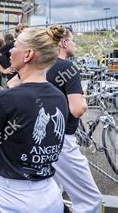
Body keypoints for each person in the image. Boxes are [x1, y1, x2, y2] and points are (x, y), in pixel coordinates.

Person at [0, 26, 69, 212]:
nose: (10, 52)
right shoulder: (59, 97)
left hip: (12, 197)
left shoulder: (4, 99)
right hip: (50, 192)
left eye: (15, 46)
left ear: (28, 54)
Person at [46, 27, 101, 212]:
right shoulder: (68, 67)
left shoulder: (41, 65)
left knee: (52, 192)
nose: (75, 44)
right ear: (64, 43)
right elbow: (77, 110)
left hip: (42, 138)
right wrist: (83, 100)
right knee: (90, 199)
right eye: (73, 40)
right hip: (63, 140)